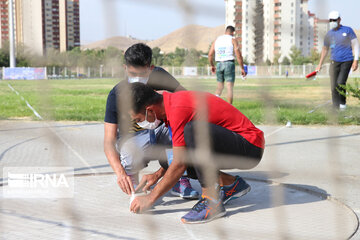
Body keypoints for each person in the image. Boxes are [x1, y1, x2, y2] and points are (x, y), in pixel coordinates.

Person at [128, 83, 264, 224]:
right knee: (169, 158)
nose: (140, 123)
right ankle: (231, 185)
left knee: (193, 131)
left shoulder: (177, 109)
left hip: (250, 146)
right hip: (233, 145)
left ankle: (212, 201)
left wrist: (150, 198)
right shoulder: (168, 104)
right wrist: (158, 174)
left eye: (138, 120)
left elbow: (180, 163)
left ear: (149, 110)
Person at [104, 43, 199, 199]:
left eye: (142, 74)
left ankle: (179, 179)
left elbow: (186, 99)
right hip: (134, 137)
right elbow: (108, 140)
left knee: (185, 133)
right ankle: (131, 179)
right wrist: (120, 173)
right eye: (133, 73)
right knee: (130, 153)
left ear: (151, 68)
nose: (137, 79)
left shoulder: (160, 77)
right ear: (125, 68)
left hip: (161, 131)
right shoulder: (117, 94)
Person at [316, 11, 359, 110]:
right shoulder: (329, 34)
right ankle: (335, 108)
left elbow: (356, 45)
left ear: (339, 19)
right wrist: (320, 64)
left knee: (340, 83)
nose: (332, 22)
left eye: (334, 20)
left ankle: (343, 105)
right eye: (330, 20)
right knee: (333, 85)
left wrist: (356, 60)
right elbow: (325, 49)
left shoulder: (348, 30)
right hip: (334, 61)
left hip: (347, 60)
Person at [208, 25, 247, 104]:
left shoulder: (217, 40)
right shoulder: (232, 39)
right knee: (229, 87)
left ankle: (214, 105)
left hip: (219, 64)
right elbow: (238, 55)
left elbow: (210, 54)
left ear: (225, 32)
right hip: (229, 64)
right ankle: (230, 108)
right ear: (233, 32)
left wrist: (212, 65)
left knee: (219, 87)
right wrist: (242, 68)